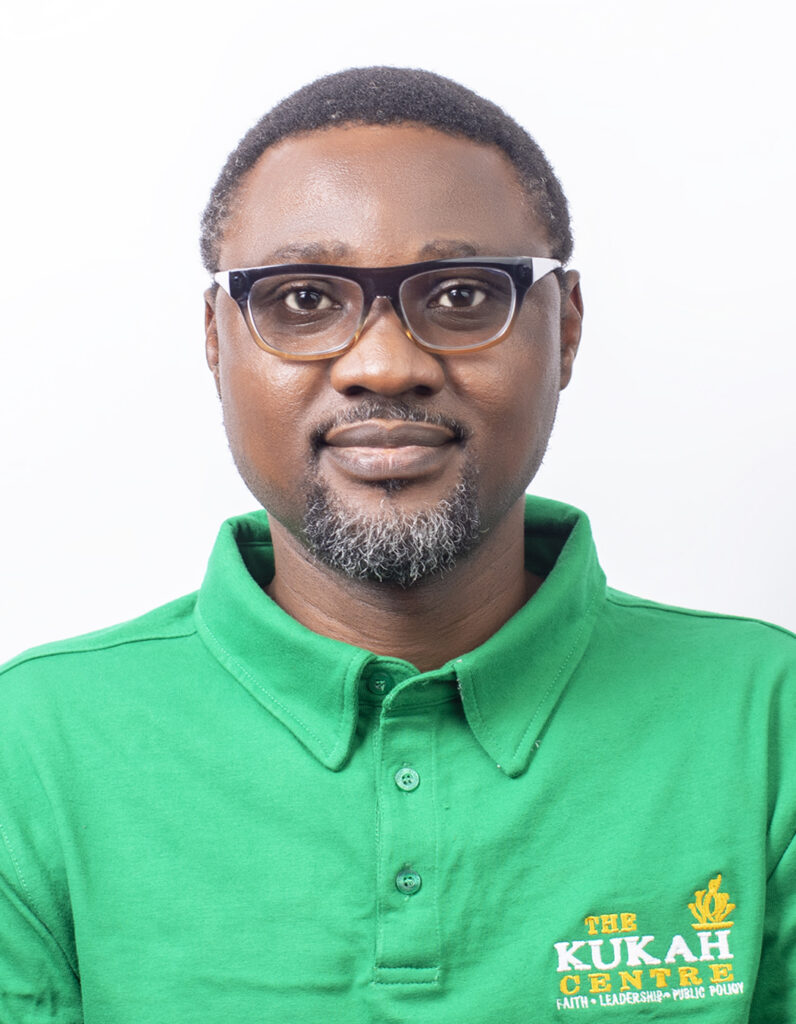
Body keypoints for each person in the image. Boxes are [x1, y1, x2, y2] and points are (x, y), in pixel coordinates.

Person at [0, 67, 793, 1024]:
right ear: (215, 339)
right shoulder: (30, 747)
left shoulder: (769, 722)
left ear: (567, 331)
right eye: (302, 299)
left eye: (462, 294)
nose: (384, 365)